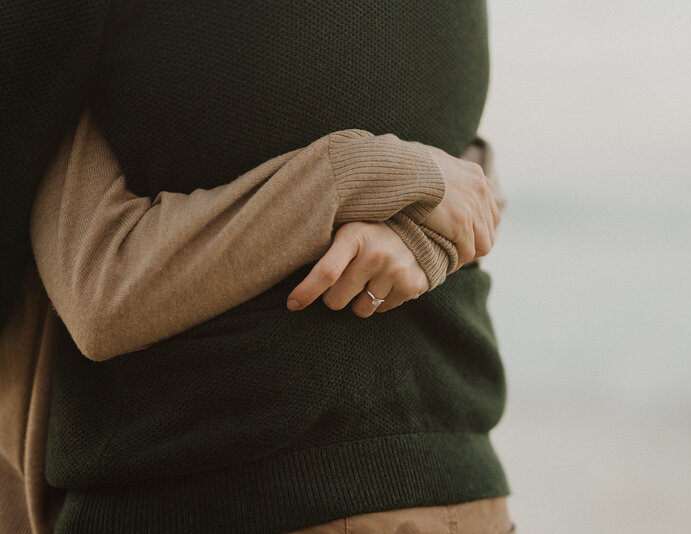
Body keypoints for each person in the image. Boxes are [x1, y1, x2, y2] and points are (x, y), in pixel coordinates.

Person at [1, 2, 512, 532]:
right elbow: (469, 181)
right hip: (461, 484)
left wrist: (361, 177)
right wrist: (407, 211)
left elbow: (103, 290)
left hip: (214, 486)